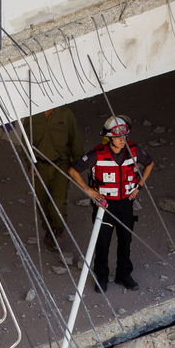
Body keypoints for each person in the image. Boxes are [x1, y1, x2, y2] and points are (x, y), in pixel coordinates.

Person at [68, 115, 155, 292]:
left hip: (126, 203)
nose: (122, 140)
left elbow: (150, 163)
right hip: (104, 206)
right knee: (103, 242)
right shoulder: (96, 154)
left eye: (124, 137)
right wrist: (88, 190)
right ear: (109, 137)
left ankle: (124, 274)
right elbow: (73, 170)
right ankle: (102, 277)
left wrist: (139, 185)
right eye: (117, 137)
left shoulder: (134, 150)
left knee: (125, 240)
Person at [24, 106, 82, 251]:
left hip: (60, 165)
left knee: (57, 201)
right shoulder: (32, 116)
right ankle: (49, 229)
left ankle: (57, 229)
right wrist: (29, 163)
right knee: (42, 201)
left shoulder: (65, 114)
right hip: (39, 166)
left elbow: (75, 138)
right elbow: (24, 141)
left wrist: (79, 165)